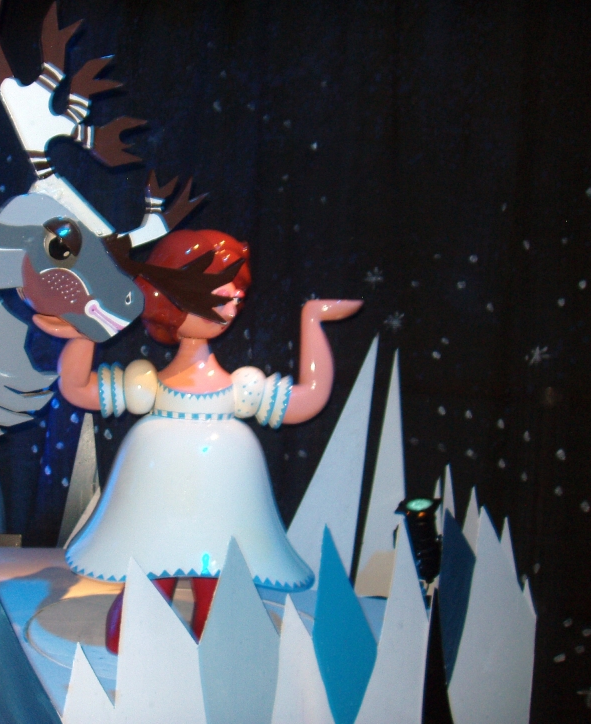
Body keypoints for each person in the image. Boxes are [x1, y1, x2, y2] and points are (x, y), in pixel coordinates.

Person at [34, 228, 361, 653]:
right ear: (171, 297)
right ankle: (145, 640)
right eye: (221, 295)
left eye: (236, 296)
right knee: (150, 576)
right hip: (156, 509)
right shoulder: (148, 386)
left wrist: (312, 321)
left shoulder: (237, 388)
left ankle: (211, 643)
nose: (233, 305)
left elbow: (309, 398)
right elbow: (77, 388)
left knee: (218, 582)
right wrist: (85, 329)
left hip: (219, 511)